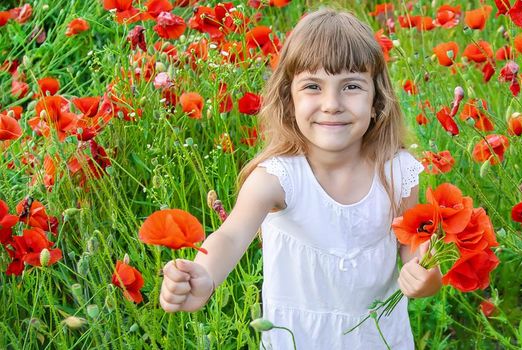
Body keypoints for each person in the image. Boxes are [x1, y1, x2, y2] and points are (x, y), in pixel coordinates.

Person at [157, 8, 441, 349]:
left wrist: (425, 277)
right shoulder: (278, 178)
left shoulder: (397, 172)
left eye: (351, 86)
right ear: (289, 100)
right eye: (312, 86)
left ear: (377, 100)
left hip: (379, 339)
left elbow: (415, 251)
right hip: (298, 340)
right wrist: (204, 274)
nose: (331, 104)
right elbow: (231, 236)